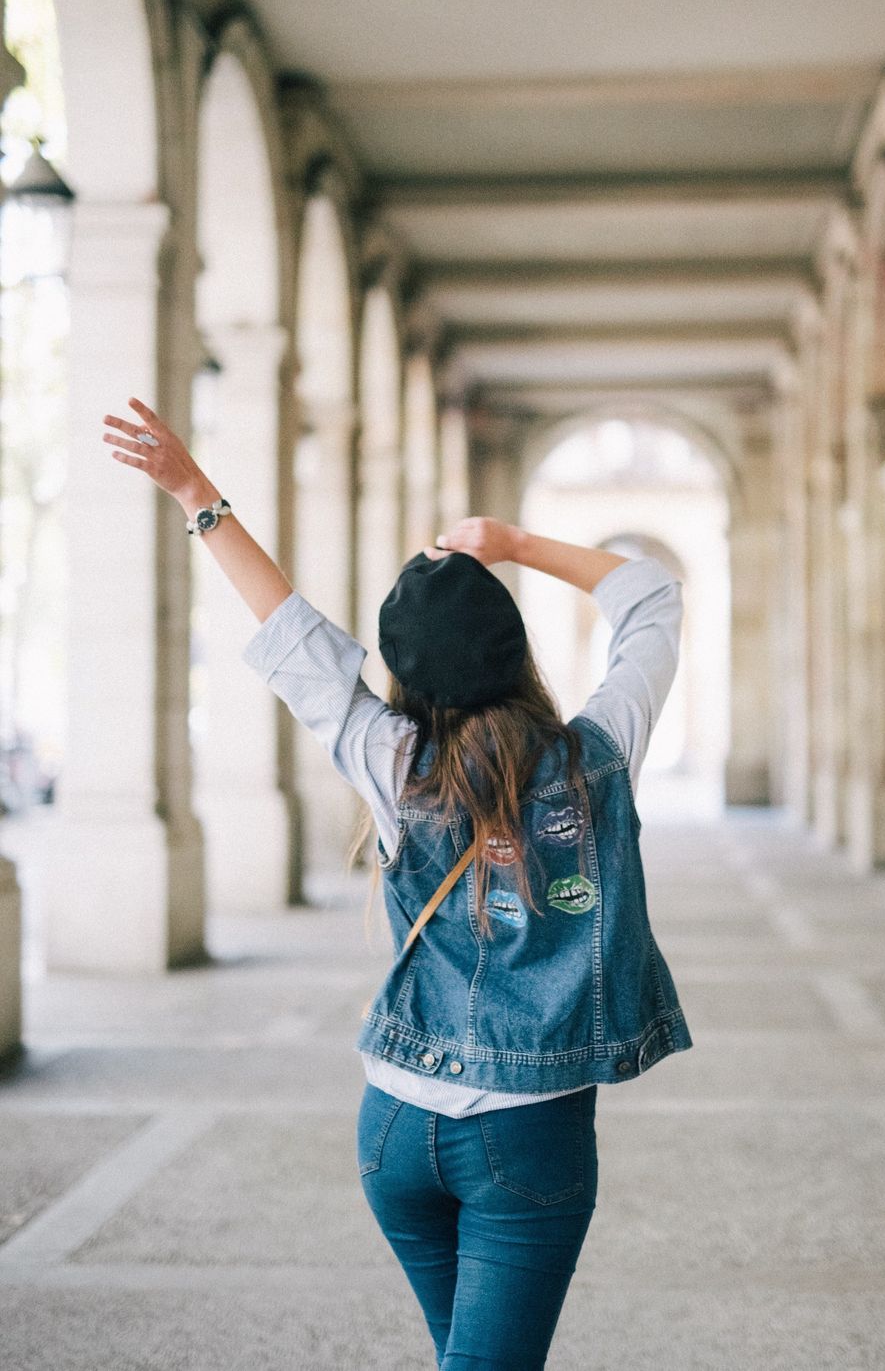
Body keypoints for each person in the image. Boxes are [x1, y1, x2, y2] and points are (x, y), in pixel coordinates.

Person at [102, 395, 693, 1370]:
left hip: (394, 1126)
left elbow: (290, 630)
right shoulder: (599, 754)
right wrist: (512, 541)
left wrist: (192, 489)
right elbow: (649, 595)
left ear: (404, 675)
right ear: (514, 650)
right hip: (527, 1137)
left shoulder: (388, 756)